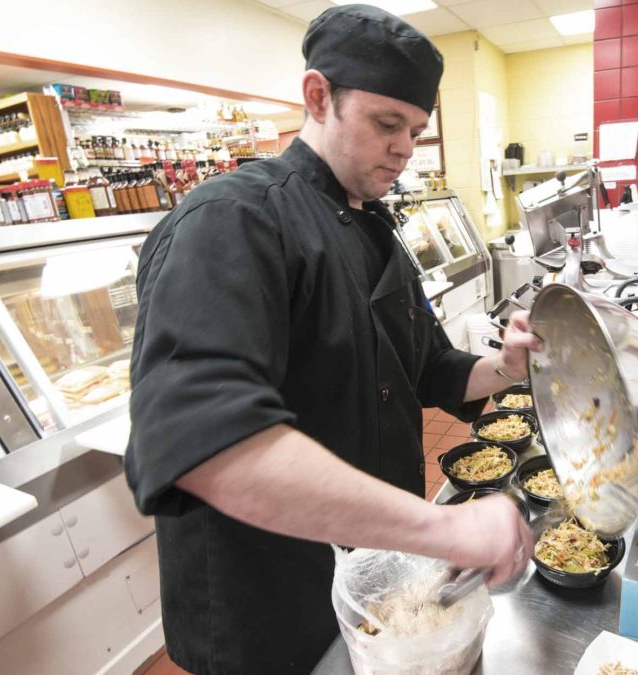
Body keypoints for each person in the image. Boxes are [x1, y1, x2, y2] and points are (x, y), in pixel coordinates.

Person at [124, 5, 540, 673]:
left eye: (415, 129)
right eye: (386, 124)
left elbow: (428, 367)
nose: (405, 147)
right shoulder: (233, 221)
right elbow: (208, 443)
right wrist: (444, 527)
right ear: (318, 97)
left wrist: (505, 367)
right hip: (265, 601)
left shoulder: (375, 228)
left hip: (371, 579)